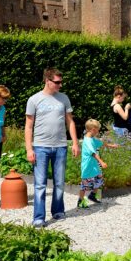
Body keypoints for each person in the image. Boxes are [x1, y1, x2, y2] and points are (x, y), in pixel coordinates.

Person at [25, 68, 80, 227]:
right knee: (40, 184)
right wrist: (29, 149)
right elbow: (28, 127)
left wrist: (75, 143)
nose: (60, 85)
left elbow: (70, 121)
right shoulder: (34, 99)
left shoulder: (64, 99)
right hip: (41, 147)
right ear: (47, 81)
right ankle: (39, 218)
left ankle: (57, 211)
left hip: (61, 146)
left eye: (61, 82)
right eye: (57, 82)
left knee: (59, 183)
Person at [78, 119, 117, 208]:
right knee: (85, 184)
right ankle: (80, 201)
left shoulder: (91, 138)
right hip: (88, 166)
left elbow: (100, 143)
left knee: (98, 180)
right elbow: (93, 153)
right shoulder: (87, 141)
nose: (98, 131)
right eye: (98, 129)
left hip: (94, 165)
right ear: (93, 129)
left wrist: (111, 146)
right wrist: (102, 162)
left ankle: (92, 195)